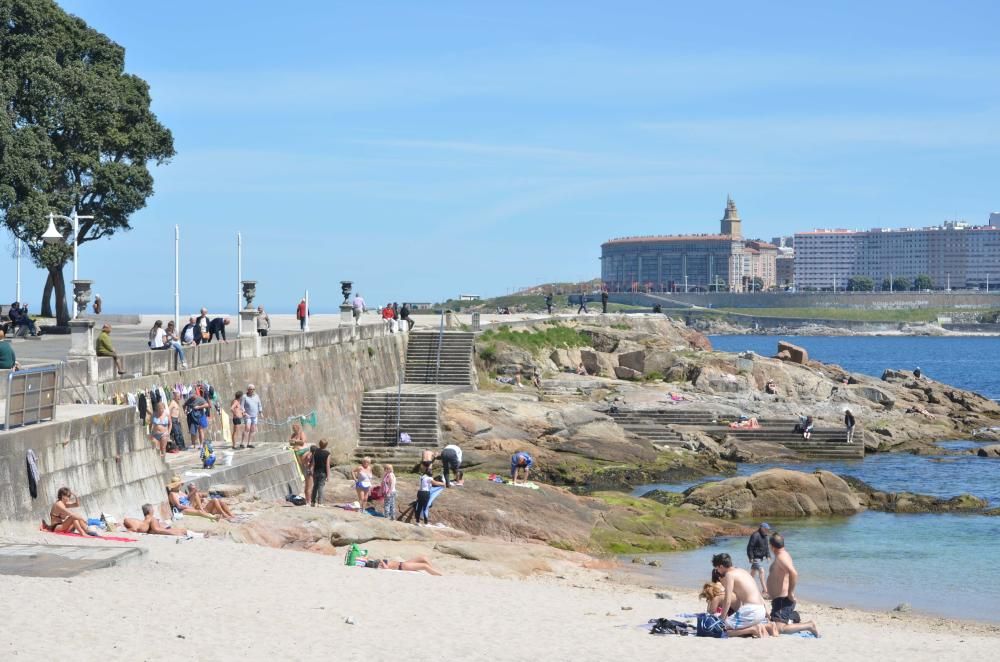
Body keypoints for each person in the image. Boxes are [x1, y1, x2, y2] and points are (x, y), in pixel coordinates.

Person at [766, 533, 820, 636]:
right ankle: (793, 616)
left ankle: (810, 625)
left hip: (783, 600)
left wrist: (790, 593)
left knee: (778, 629)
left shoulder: (781, 557)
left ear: (771, 546)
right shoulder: (782, 555)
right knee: (772, 622)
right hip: (779, 601)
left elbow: (794, 573)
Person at [712, 552, 770, 637]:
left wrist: (722, 618)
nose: (717, 571)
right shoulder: (743, 571)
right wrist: (767, 613)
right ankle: (766, 626)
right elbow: (758, 594)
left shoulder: (729, 575)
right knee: (735, 625)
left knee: (720, 629)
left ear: (721, 566)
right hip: (761, 610)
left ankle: (753, 629)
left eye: (717, 568)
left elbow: (727, 600)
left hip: (751, 611)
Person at [124, 503, 188, 536]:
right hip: (155, 529)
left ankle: (181, 531)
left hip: (150, 529)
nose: (154, 510)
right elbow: (157, 530)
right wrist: (175, 534)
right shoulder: (151, 519)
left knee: (163, 528)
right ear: (150, 510)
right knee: (160, 529)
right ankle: (180, 532)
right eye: (153, 509)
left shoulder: (144, 521)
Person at [746, 522, 772, 597]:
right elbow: (749, 547)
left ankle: (746, 585)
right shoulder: (755, 535)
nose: (767, 530)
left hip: (761, 558)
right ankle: (765, 590)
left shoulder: (765, 536)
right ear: (762, 528)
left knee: (752, 574)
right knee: (762, 571)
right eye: (766, 529)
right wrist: (750, 557)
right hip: (755, 558)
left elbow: (766, 547)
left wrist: (768, 555)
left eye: (768, 529)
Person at [355, 555, 442, 576]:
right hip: (403, 567)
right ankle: (439, 575)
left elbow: (364, 558)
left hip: (403, 563)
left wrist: (362, 557)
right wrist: (381, 560)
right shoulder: (377, 565)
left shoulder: (374, 562)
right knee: (424, 566)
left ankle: (435, 570)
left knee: (423, 557)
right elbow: (385, 568)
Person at [310, 439, 331, 506]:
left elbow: (313, 463)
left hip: (315, 471)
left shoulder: (315, 452)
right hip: (323, 473)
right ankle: (320, 503)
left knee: (315, 487)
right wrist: (328, 475)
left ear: (319, 444)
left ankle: (313, 502)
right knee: (321, 487)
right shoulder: (327, 454)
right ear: (326, 445)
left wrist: (311, 470)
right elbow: (327, 465)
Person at [240, 384, 262, 448]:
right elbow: (241, 406)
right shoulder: (244, 396)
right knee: (247, 428)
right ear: (248, 390)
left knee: (253, 430)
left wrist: (260, 412)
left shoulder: (256, 396)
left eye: (253, 389)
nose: (252, 390)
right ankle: (242, 443)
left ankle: (249, 443)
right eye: (250, 389)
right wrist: (244, 413)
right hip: (247, 415)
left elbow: (259, 404)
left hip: (254, 415)